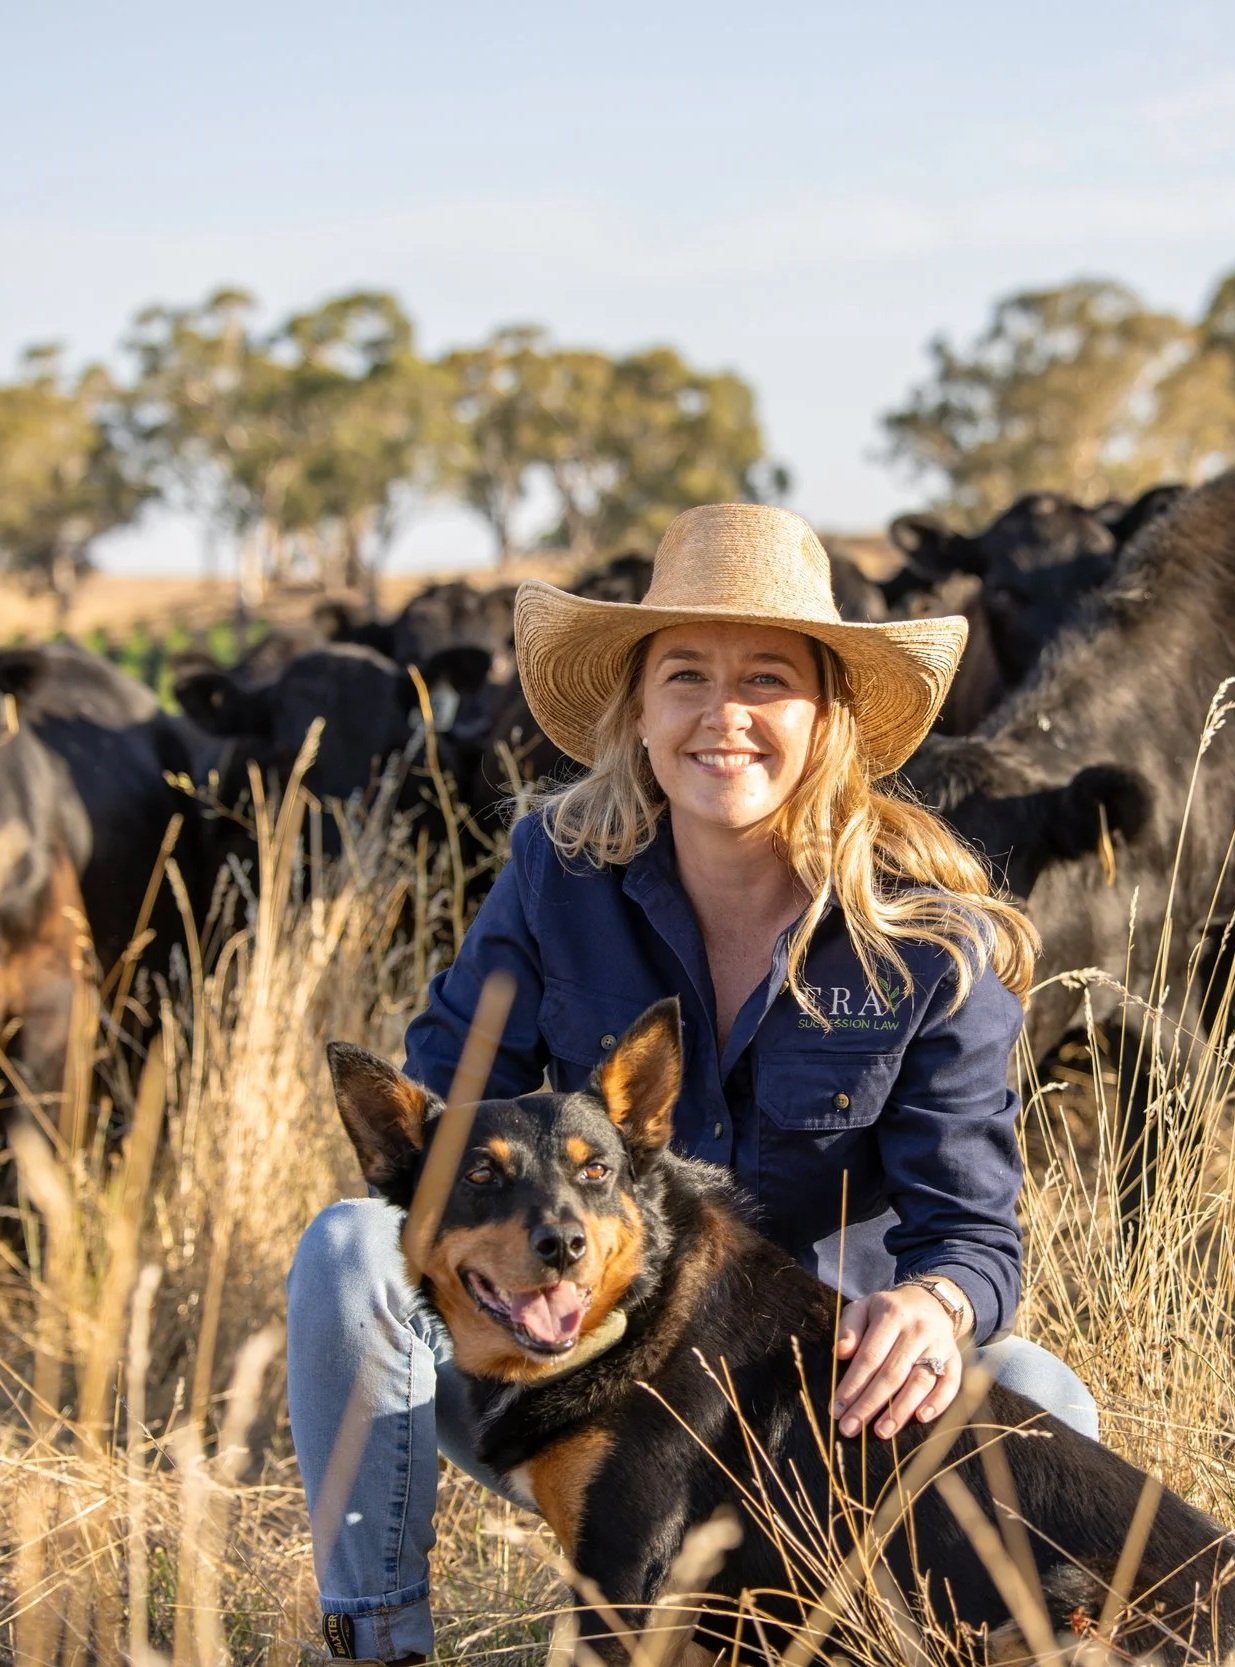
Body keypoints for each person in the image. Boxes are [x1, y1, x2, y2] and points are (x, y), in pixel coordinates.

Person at [287, 503, 1097, 1665]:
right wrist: (514, 1274)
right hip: (575, 1366)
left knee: (1039, 1393)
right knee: (354, 1249)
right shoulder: (556, 877)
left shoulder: (930, 946)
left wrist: (936, 1306)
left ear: (827, 716)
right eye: (685, 677)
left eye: (766, 678)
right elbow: (441, 1114)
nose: (724, 716)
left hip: (814, 1409)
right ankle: (376, 1641)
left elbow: (975, 1236)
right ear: (639, 711)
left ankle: (875, 1632)